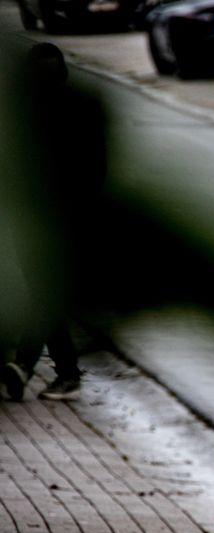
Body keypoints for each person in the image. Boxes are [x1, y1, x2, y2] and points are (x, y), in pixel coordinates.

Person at [0, 43, 102, 403]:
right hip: (53, 225)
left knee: (44, 297)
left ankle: (27, 367)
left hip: (52, 226)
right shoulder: (77, 112)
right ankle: (62, 373)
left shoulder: (26, 116)